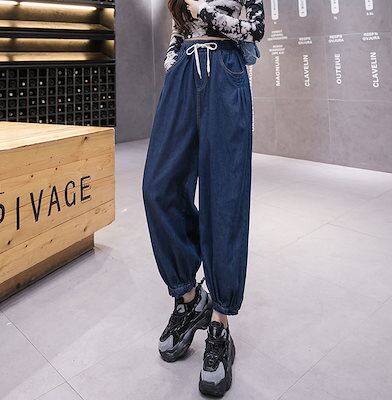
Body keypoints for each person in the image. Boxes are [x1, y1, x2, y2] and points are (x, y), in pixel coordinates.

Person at [142, 0, 265, 396]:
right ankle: (189, 297)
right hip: (183, 74)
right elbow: (178, 32)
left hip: (226, 71)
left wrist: (204, 11)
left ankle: (219, 323)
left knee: (224, 198)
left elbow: (254, 29)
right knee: (158, 187)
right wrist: (173, 62)